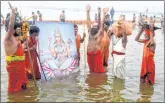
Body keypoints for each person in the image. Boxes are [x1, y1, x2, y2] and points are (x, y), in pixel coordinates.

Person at [4, 8, 27, 93]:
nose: (19, 30)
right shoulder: (8, 38)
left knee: (23, 87)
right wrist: (13, 13)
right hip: (13, 67)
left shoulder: (16, 38)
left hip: (21, 66)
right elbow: (10, 26)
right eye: (17, 28)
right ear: (13, 30)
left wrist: (24, 24)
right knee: (14, 90)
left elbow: (24, 39)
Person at [86, 5, 109, 73]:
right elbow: (88, 22)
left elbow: (101, 23)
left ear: (98, 28)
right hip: (89, 54)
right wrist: (87, 12)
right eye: (93, 25)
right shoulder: (90, 32)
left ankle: (100, 82)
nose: (93, 26)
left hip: (96, 54)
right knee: (91, 71)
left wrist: (104, 14)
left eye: (95, 26)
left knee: (99, 72)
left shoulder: (100, 33)